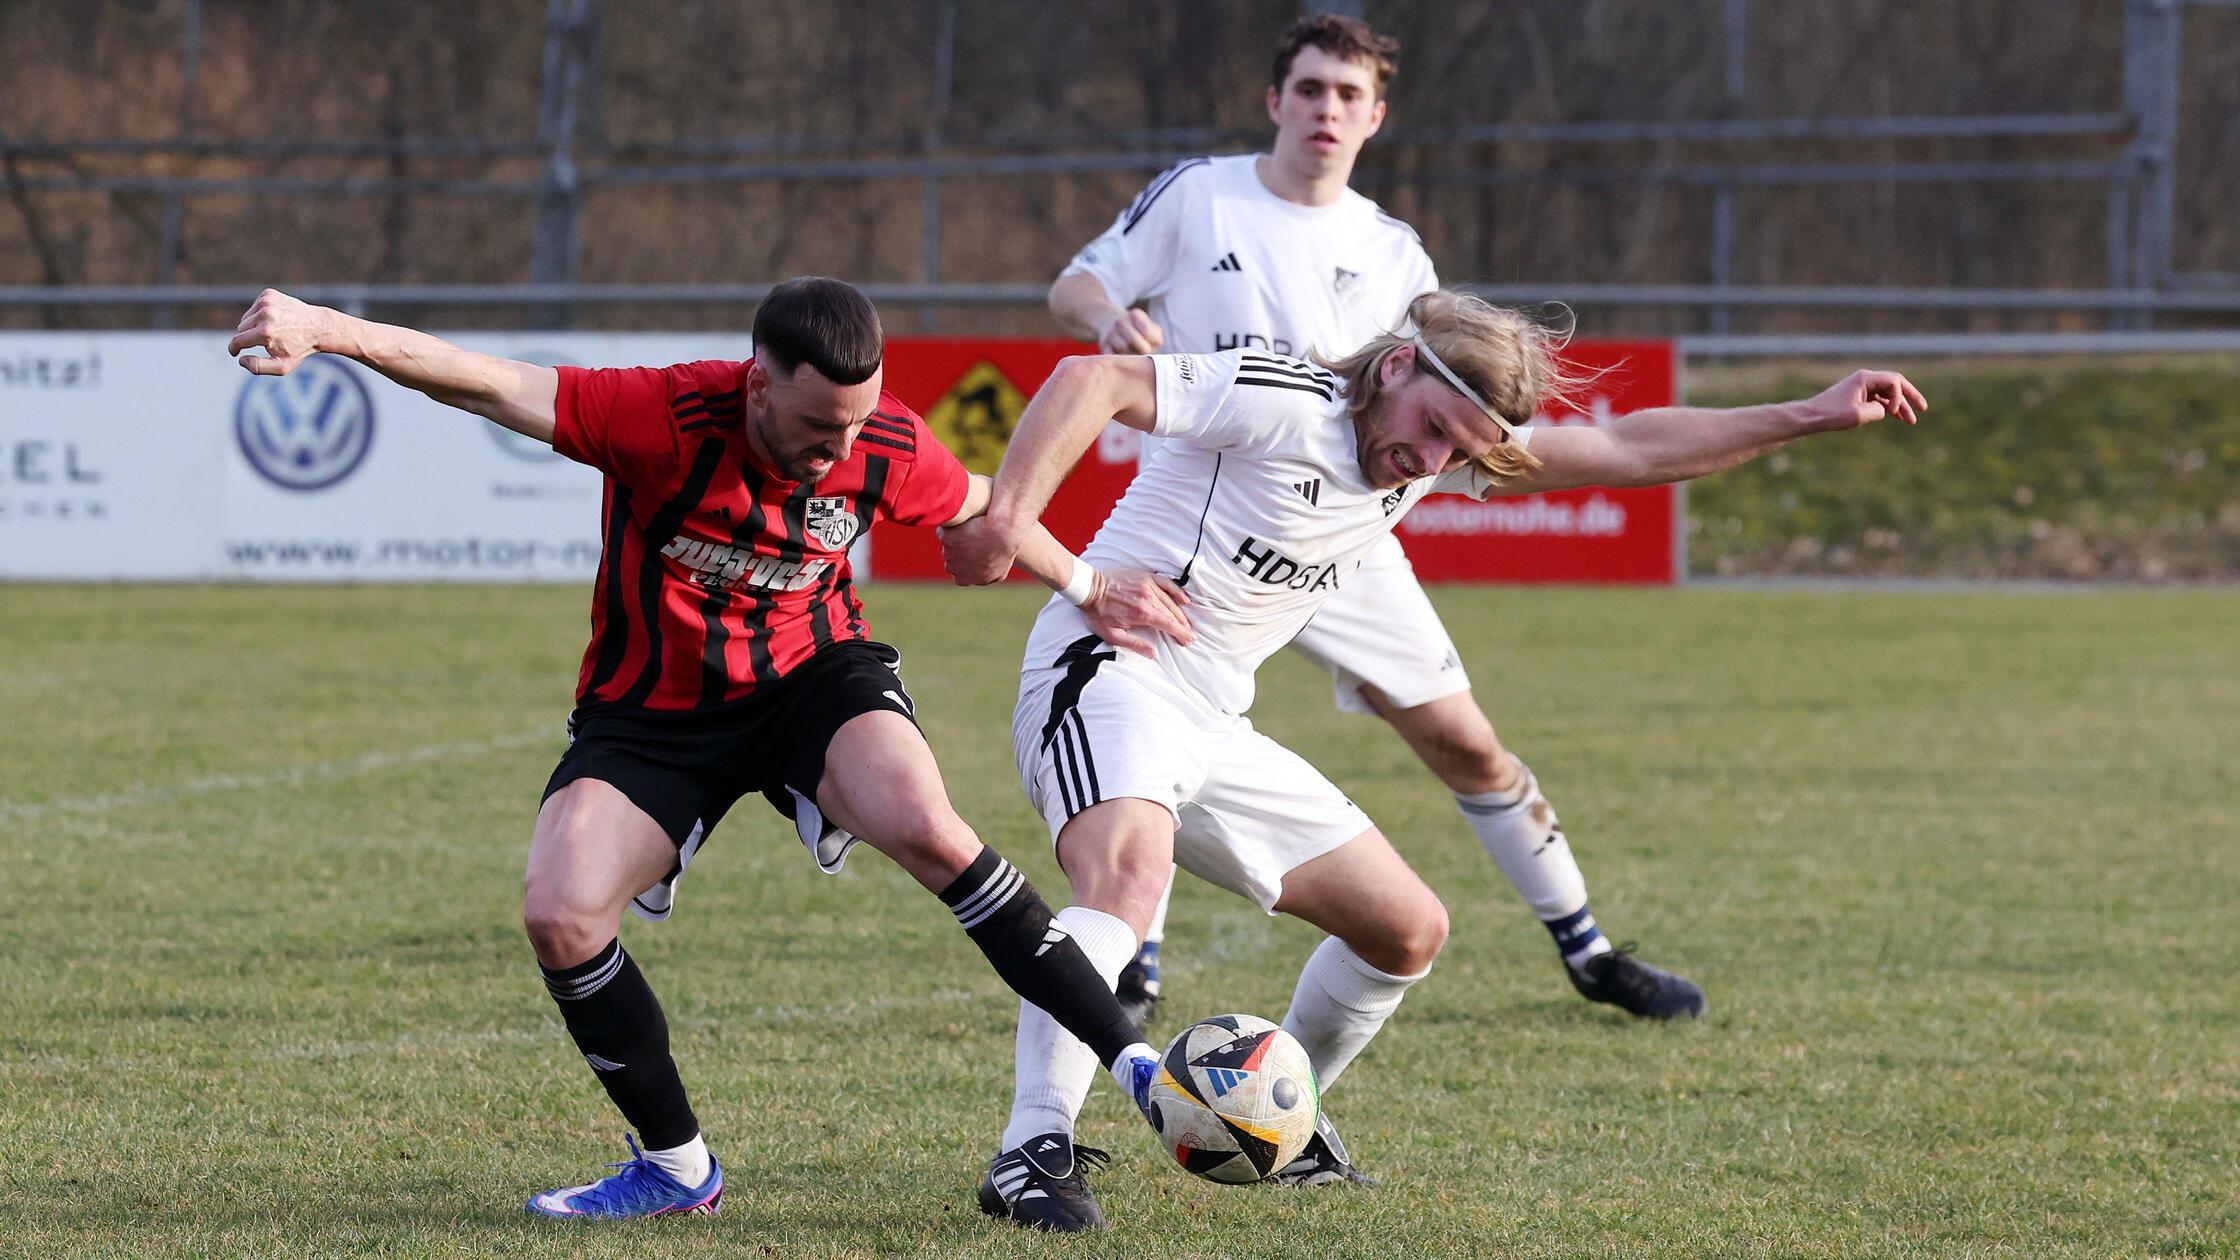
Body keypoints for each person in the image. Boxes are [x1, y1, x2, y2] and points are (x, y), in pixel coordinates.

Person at [947, 289, 1924, 1230]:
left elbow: (1627, 446)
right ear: (1398, 364)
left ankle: (1274, 1118)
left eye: (1457, 452)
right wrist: (1026, 531)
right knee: (1125, 874)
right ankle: (1031, 1149)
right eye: (1429, 430)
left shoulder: (1428, 447)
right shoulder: (1284, 397)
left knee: (1404, 930)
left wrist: (1807, 413)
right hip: (1107, 671)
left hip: (1212, 716)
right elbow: (1092, 376)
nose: (1428, 460)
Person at [225, 278, 1189, 1221]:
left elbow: (988, 498)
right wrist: (329, 328)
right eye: (821, 427)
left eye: (856, 423)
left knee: (928, 826)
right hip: (653, 713)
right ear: (758, 385)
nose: (842, 447)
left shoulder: (880, 439)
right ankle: (678, 1169)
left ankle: (1141, 1070)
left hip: (815, 682)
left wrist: (1080, 578)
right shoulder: (663, 414)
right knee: (561, 916)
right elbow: (482, 380)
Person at [1049, 12, 1704, 1031]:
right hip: (1213, 526)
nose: (1325, 110)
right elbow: (1078, 281)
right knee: (1159, 698)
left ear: (1375, 116)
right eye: (1308, 89)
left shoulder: (1394, 252)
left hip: (1346, 541)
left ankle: (1585, 948)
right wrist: (1103, 315)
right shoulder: (1198, 194)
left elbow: (1461, 408)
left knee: (1467, 745)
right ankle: (1133, 960)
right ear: (1275, 100)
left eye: (1347, 95)